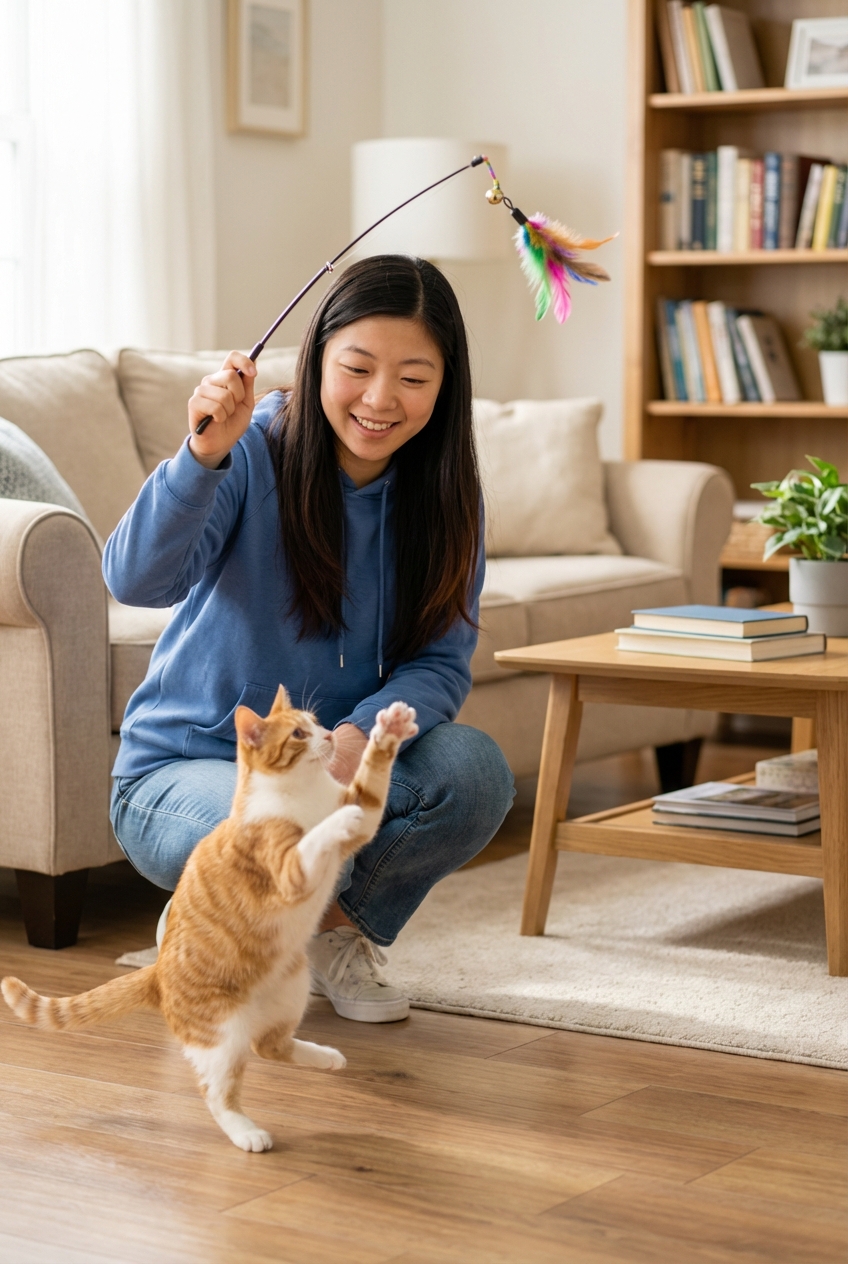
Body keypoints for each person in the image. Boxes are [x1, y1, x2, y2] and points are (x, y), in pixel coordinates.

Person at [105, 254, 514, 1023]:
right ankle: (214, 918)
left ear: (446, 385)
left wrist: (364, 732)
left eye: (414, 378)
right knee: (273, 828)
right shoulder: (250, 454)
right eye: (357, 367)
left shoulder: (448, 497)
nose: (380, 399)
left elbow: (440, 664)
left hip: (330, 767)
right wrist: (200, 458)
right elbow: (135, 582)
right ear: (318, 354)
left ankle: (323, 929)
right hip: (187, 774)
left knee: (476, 774)